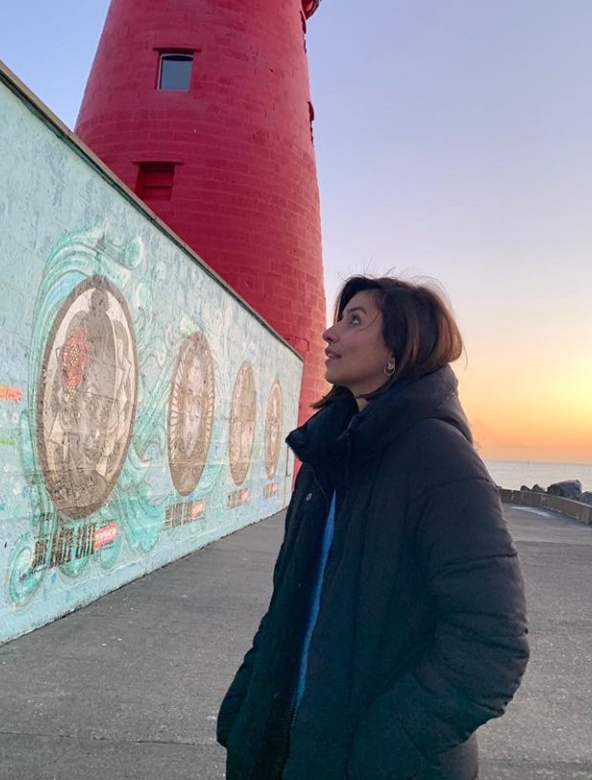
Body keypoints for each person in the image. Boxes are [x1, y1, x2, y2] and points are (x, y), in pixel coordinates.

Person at [217, 275, 529, 780]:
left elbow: (493, 645)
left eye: (355, 320)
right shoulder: (326, 453)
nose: (329, 333)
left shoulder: (439, 458)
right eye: (340, 317)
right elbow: (290, 605)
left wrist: (386, 746)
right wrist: (246, 704)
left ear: (399, 349)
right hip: (287, 750)